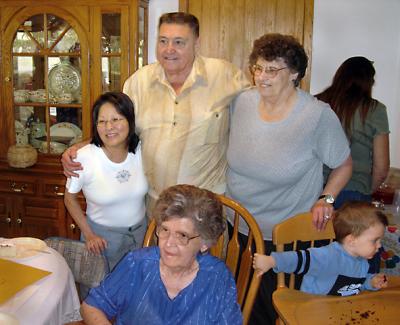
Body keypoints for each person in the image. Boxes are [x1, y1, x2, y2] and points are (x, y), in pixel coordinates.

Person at [61, 12, 250, 212]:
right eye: (163, 41)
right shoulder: (138, 82)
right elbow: (118, 128)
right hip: (156, 206)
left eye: (179, 42)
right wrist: (79, 149)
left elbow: (260, 108)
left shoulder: (225, 76)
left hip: (206, 206)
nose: (169, 49)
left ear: (196, 43)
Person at [225, 33, 352, 324]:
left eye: (272, 69)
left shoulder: (316, 116)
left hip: (286, 240)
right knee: (243, 305)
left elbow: (344, 164)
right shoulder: (242, 103)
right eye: (258, 68)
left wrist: (327, 198)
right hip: (241, 230)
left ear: (294, 73)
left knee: (280, 312)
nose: (261, 77)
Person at [81, 184, 242, 325]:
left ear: (205, 242)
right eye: (165, 230)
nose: (168, 243)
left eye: (182, 235)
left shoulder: (217, 278)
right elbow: (92, 306)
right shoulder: (137, 264)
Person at [64, 92, 148, 271]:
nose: (109, 127)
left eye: (116, 119)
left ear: (130, 121)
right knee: (98, 293)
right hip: (102, 240)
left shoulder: (142, 150)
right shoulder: (84, 158)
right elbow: (69, 198)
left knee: (132, 292)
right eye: (101, 121)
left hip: (140, 236)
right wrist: (89, 235)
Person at [253, 201, 389, 296]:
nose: (379, 245)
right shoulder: (328, 255)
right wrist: (272, 261)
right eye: (375, 240)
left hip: (340, 311)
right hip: (312, 308)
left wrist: (371, 282)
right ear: (352, 240)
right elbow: (299, 260)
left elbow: (355, 285)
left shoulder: (361, 262)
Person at [316, 56, 390, 209]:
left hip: (319, 193)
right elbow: (381, 168)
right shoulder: (375, 110)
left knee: (319, 233)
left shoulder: (317, 102)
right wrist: (367, 189)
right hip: (353, 194)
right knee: (350, 233)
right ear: (369, 82)